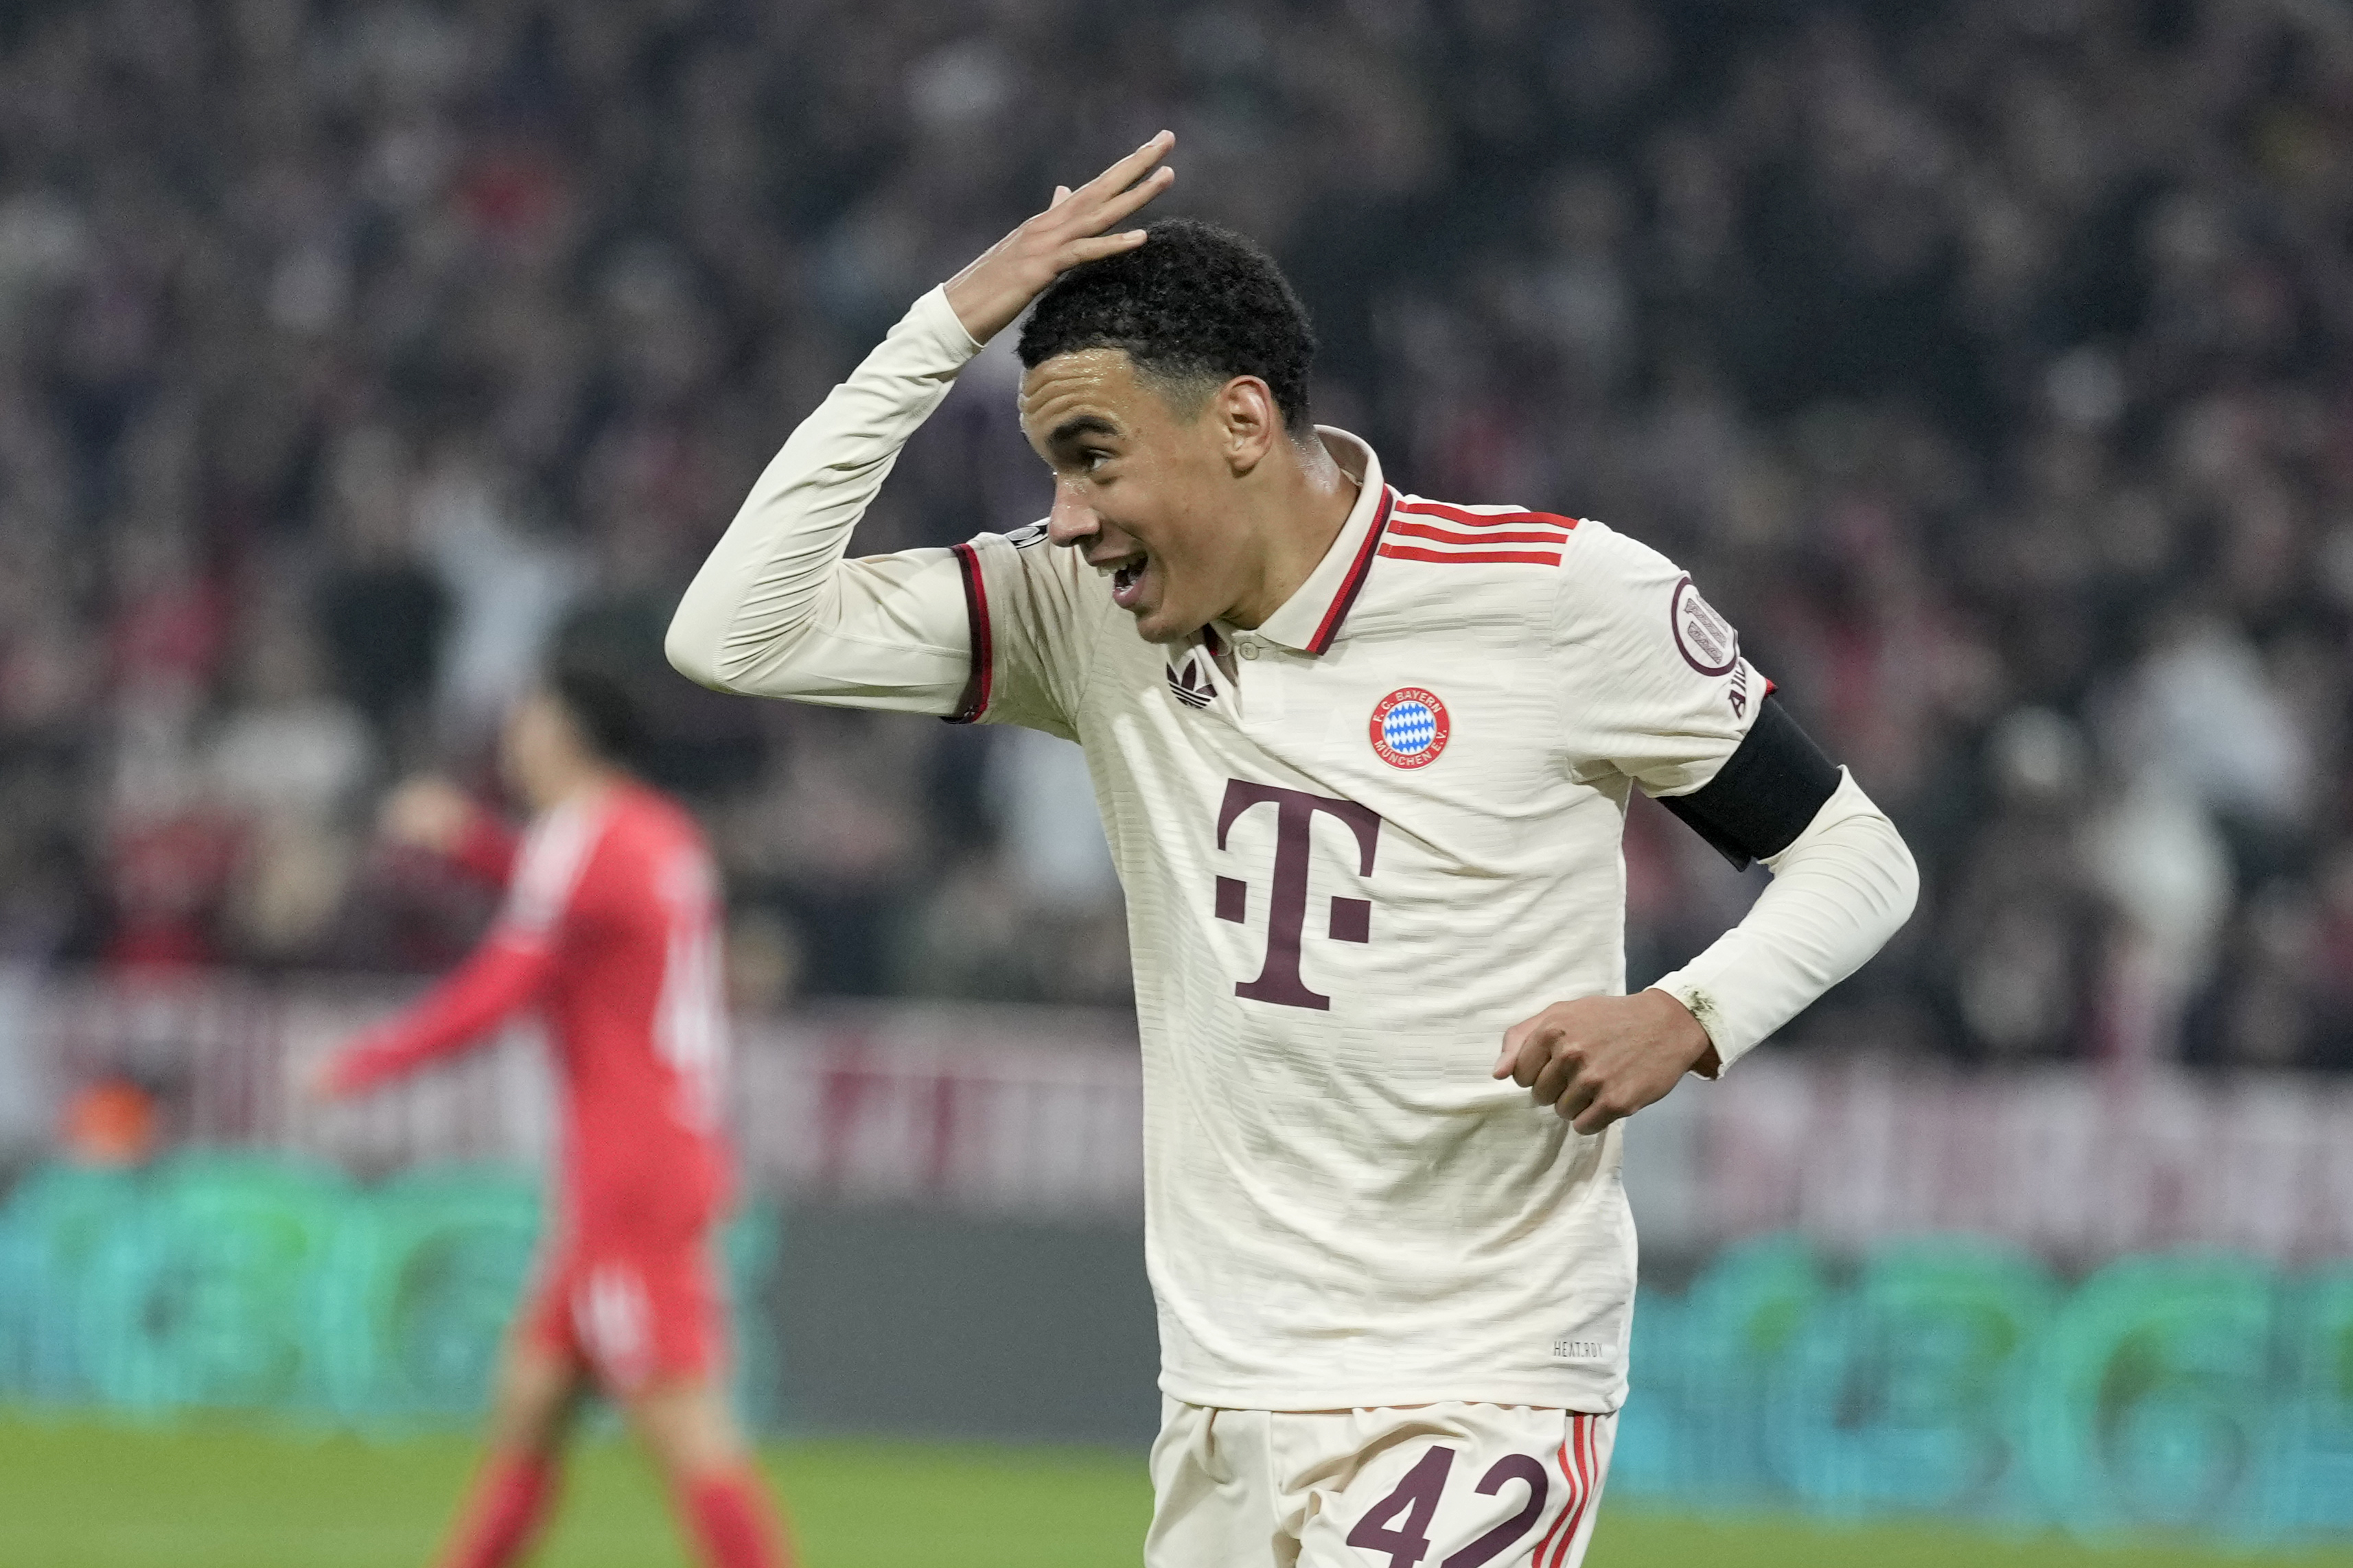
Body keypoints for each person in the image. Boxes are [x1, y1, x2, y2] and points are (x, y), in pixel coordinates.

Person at [668, 134, 1918, 1567]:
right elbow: (733, 631)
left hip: (1478, 1379)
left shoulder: (1559, 601)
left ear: (1242, 425)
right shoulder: (1080, 619)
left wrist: (1684, 1016)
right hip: (1223, 1394)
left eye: (1092, 459)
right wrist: (942, 322)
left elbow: (1857, 857)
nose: (1066, 519)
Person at [309, 662, 792, 1568]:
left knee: (684, 1421)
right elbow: (577, 908)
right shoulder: (656, 832)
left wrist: (367, 1060)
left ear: (569, 731)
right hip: (662, 1150)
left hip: (628, 1174)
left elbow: (505, 983)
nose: (513, 733)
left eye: (528, 715)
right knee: (529, 1402)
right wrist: (475, 843)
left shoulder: (586, 836)